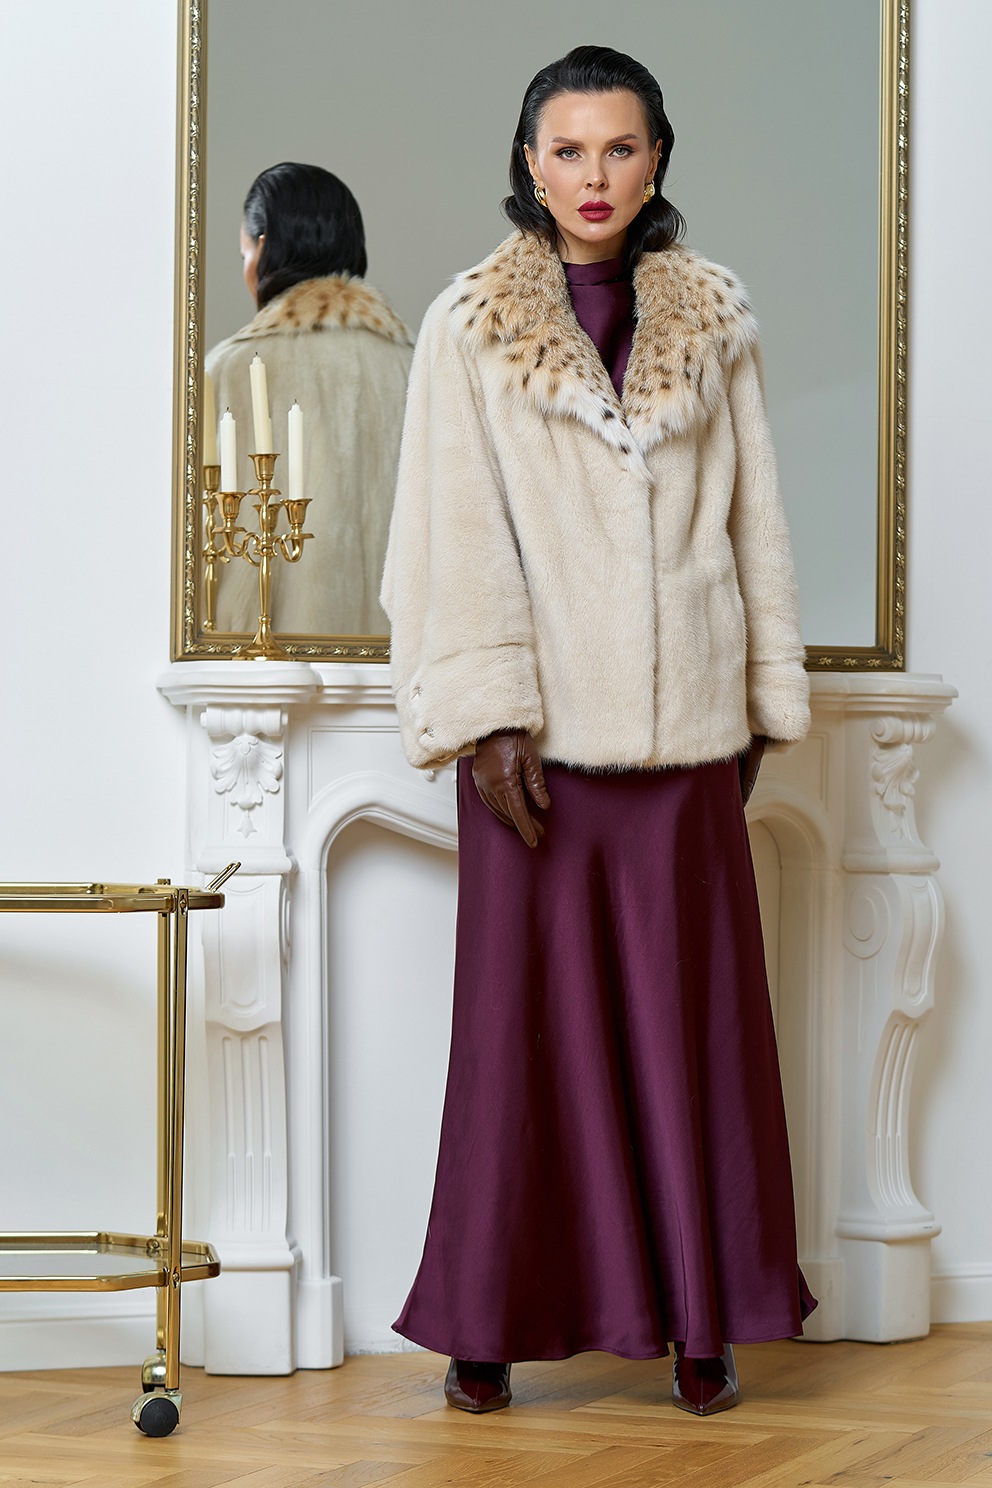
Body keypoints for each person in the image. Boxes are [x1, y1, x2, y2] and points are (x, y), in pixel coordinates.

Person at [381, 45, 816, 1418]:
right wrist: (488, 713)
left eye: (619, 148)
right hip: (537, 750)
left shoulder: (716, 317)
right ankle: (488, 1322)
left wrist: (757, 700)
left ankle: (702, 1319)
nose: (592, 175)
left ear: (656, 160)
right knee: (518, 1047)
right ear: (528, 162)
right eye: (566, 150)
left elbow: (753, 517)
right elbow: (450, 527)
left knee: (696, 1041)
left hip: (688, 736)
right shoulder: (467, 324)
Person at [207, 162, 412, 637]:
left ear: (262, 249)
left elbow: (197, 545)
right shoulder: (417, 368)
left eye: (244, 253)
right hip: (397, 668)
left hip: (263, 664)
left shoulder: (228, 371)